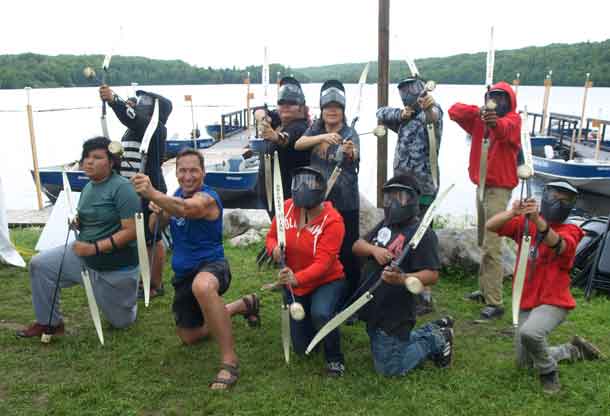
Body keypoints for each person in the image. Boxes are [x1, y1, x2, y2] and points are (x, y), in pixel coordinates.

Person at [131, 148, 260, 390]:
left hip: (212, 267)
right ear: (176, 172)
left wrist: (154, 193)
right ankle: (243, 305)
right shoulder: (176, 194)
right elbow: (154, 227)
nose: (188, 176)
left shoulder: (208, 198)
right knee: (189, 337)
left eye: (194, 171)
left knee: (202, 286)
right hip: (183, 276)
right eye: (183, 170)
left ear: (203, 173)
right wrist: (157, 211)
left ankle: (229, 361)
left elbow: (188, 209)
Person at [486, 181, 604, 394]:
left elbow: (558, 244)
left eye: (565, 200)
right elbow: (491, 225)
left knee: (530, 333)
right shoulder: (525, 224)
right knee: (525, 363)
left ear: (571, 205)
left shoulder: (573, 230)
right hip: (526, 300)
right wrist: (513, 212)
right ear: (545, 196)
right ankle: (572, 350)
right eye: (555, 197)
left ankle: (548, 373)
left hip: (554, 301)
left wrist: (537, 221)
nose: (558, 203)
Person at [17, 137, 141, 338]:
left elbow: (131, 231)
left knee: (122, 323)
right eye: (86, 157)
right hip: (83, 257)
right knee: (40, 264)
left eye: (97, 157)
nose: (88, 162)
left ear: (111, 163)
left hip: (114, 268)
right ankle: (50, 323)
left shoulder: (123, 188)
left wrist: (95, 248)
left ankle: (129, 304)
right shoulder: (88, 187)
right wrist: (79, 222)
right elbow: (93, 219)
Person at [352, 173, 454, 376]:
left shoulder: (422, 234)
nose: (393, 203)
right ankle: (434, 329)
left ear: (413, 200)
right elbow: (357, 245)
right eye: (389, 197)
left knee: (390, 368)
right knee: (384, 345)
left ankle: (436, 339)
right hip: (375, 304)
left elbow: (432, 274)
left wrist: (402, 279)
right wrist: (375, 250)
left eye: (400, 197)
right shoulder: (385, 225)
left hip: (396, 311)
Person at [448, 81, 521, 320]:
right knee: (483, 240)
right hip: (481, 186)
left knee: (493, 244)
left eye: (502, 98)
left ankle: (495, 302)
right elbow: (454, 111)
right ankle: (484, 289)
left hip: (498, 190)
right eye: (493, 97)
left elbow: (502, 129)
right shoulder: (480, 119)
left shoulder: (513, 120)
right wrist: (480, 112)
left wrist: (492, 120)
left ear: (509, 101)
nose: (497, 102)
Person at [265, 167, 347, 376]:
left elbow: (324, 264)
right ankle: (316, 321)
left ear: (321, 189)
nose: (303, 187)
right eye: (299, 181)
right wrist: (273, 249)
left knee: (321, 313)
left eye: (310, 183)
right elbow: (272, 236)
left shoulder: (333, 221)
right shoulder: (286, 208)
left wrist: (296, 278)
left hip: (327, 280)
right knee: (302, 349)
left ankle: (334, 358)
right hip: (295, 284)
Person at [376, 76, 443, 315]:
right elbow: (380, 113)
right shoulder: (404, 119)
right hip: (400, 192)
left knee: (422, 239)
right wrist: (402, 114)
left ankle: (424, 295)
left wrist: (429, 107)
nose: (409, 93)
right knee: (400, 238)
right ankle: (399, 282)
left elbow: (434, 116)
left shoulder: (430, 114)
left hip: (423, 189)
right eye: (404, 90)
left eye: (412, 89)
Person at [99, 86, 173, 300]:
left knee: (152, 237)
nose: (137, 105)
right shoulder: (137, 128)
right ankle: (142, 279)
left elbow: (132, 117)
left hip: (151, 190)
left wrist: (114, 100)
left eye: (143, 104)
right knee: (142, 237)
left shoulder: (156, 127)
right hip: (134, 190)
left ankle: (155, 284)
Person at [295, 80, 361, 312]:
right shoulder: (315, 128)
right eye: (327, 107)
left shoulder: (350, 132)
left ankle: (350, 300)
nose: (332, 111)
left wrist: (349, 152)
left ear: (343, 110)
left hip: (345, 203)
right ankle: (321, 292)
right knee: (320, 251)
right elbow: (299, 143)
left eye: (337, 107)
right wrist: (321, 138)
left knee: (347, 252)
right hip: (319, 204)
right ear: (322, 110)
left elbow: (354, 154)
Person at [257, 76, 311, 206]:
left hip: (287, 197)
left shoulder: (301, 127)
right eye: (281, 102)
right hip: (270, 193)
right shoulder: (279, 119)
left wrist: (275, 136)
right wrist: (263, 118)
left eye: (292, 103)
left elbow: (286, 138)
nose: (286, 106)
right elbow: (258, 110)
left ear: (300, 107)